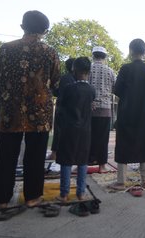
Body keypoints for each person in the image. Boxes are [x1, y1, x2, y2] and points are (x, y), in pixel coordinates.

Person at [0, 10, 60, 209]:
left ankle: (2, 199)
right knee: (36, 156)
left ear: (22, 27)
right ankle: (32, 197)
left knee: (6, 155)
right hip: (39, 112)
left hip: (10, 111)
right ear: (45, 31)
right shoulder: (49, 52)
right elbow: (55, 82)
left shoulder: (5, 49)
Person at [109, 39, 145, 190]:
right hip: (143, 112)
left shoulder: (125, 68)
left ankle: (121, 181)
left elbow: (117, 90)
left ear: (130, 51)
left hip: (127, 111)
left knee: (123, 145)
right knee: (143, 144)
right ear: (144, 52)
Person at [55, 57, 96, 203]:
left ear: (74, 70)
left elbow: (61, 106)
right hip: (85, 130)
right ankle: (81, 193)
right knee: (82, 160)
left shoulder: (68, 88)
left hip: (69, 129)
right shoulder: (92, 90)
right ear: (88, 71)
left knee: (66, 161)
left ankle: (64, 194)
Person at [88, 47, 115, 173]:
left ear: (93, 55)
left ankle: (84, 163)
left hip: (89, 108)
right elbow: (115, 88)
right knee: (103, 139)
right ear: (105, 57)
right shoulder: (109, 71)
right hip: (105, 109)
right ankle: (102, 166)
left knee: (88, 137)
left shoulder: (88, 68)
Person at [49, 57, 76, 161]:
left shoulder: (64, 78)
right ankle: (67, 153)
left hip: (62, 108)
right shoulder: (76, 79)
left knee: (59, 132)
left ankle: (55, 154)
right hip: (72, 109)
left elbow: (56, 91)